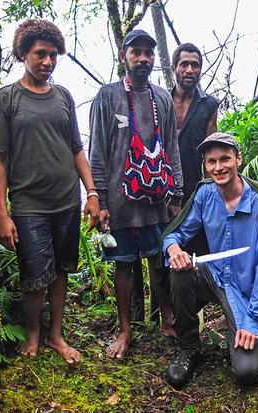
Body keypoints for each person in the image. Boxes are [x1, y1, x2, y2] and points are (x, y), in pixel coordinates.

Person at [0, 19, 99, 365]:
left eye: (53, 55)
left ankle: (56, 334)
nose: (48, 62)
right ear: (22, 54)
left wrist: (92, 193)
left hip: (66, 200)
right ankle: (34, 331)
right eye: (40, 54)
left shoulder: (63, 96)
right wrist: (2, 213)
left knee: (61, 270)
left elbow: (77, 149)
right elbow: (0, 160)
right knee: (35, 275)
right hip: (28, 204)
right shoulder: (6, 99)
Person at [89, 29, 183, 359]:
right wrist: (97, 198)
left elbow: (172, 147)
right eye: (136, 52)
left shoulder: (162, 98)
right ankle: (126, 330)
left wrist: (176, 195)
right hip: (119, 201)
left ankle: (168, 319)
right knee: (124, 266)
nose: (143, 58)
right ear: (124, 56)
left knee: (160, 260)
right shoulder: (108, 96)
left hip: (157, 199)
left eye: (148, 53)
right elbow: (97, 150)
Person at [161, 132, 258, 387]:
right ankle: (189, 347)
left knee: (246, 372)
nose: (218, 167)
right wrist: (174, 248)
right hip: (214, 275)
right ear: (205, 166)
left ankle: (254, 330)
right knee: (180, 271)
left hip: (247, 290)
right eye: (211, 161)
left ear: (238, 159)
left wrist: (253, 322)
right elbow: (175, 233)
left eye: (225, 159)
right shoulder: (205, 194)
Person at [171, 43, 219, 201]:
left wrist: (209, 192)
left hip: (192, 189)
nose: (189, 70)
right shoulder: (161, 102)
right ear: (174, 69)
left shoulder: (209, 105)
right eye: (184, 64)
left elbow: (210, 152)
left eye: (195, 65)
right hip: (159, 187)